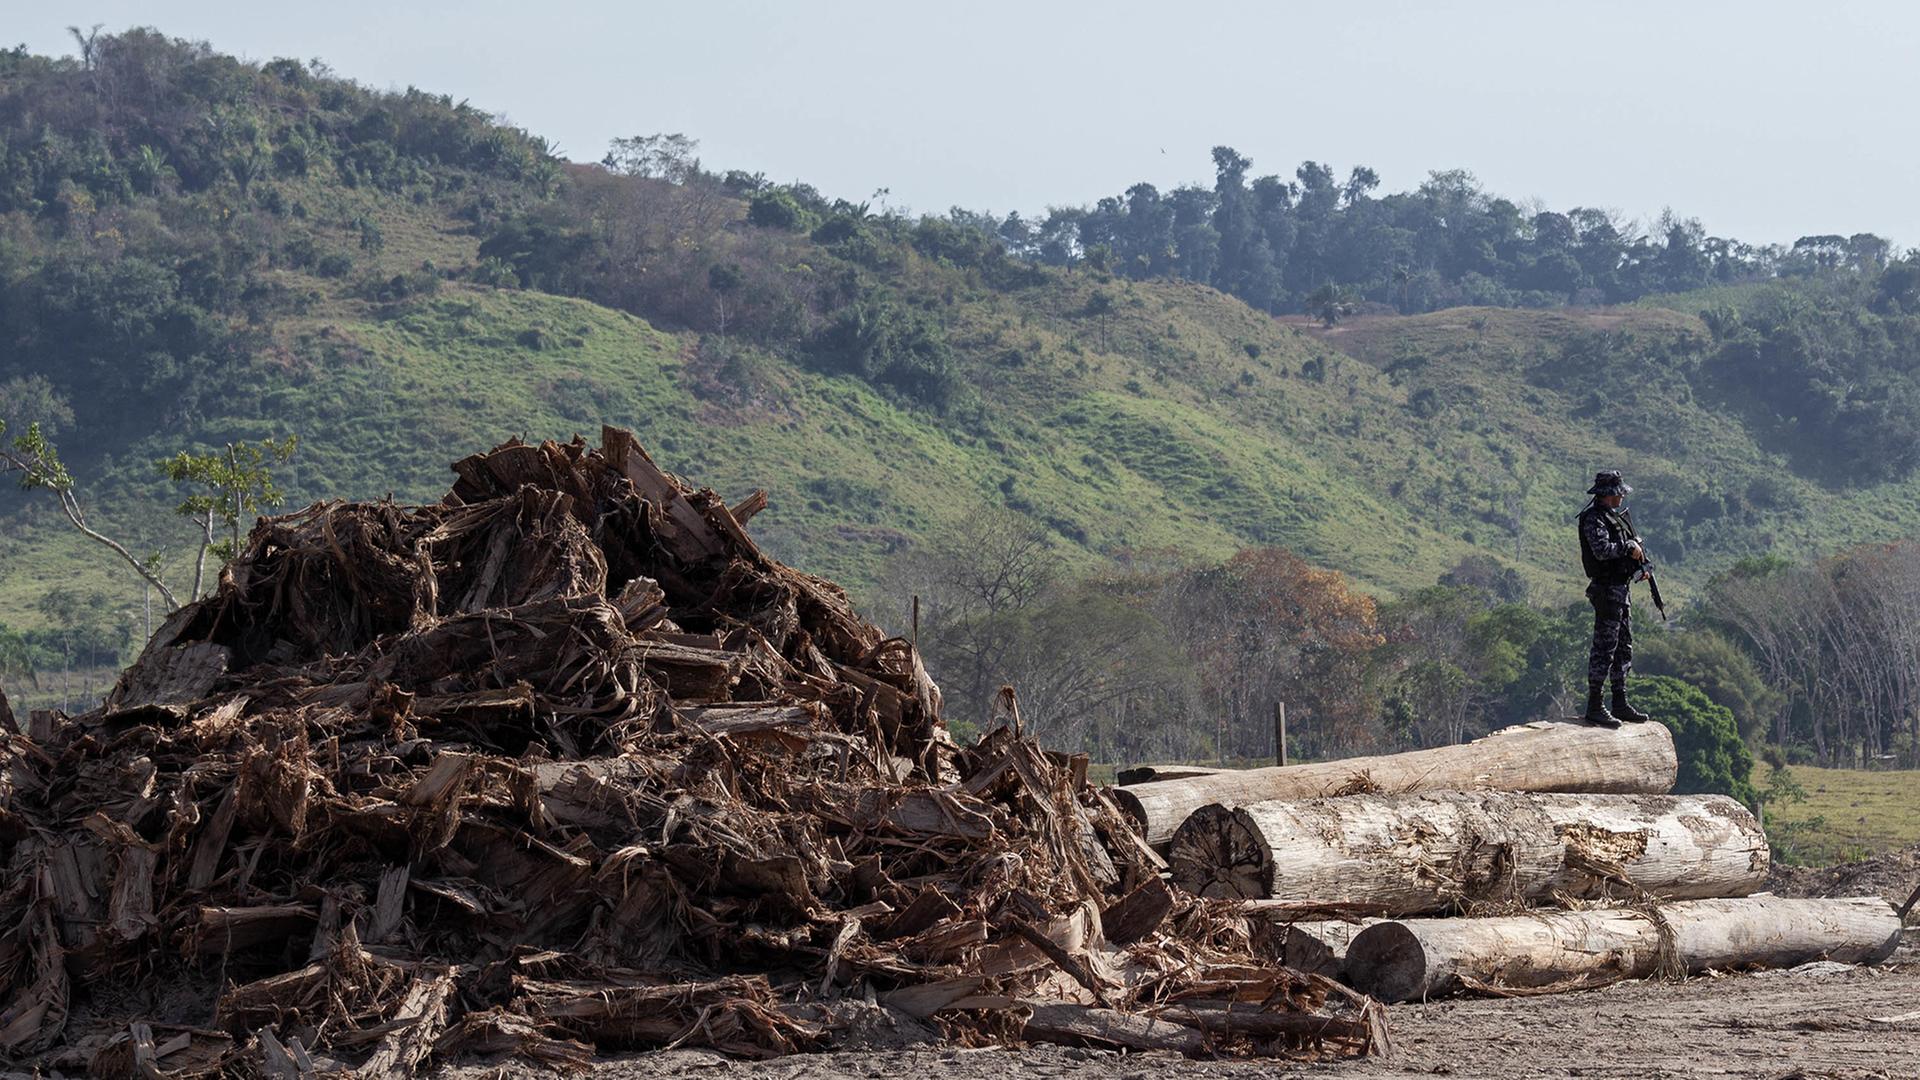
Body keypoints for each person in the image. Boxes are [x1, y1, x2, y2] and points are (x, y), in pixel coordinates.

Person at [1577, 470, 1653, 728]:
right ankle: (1595, 705)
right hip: (1606, 591)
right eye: (1618, 492)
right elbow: (1601, 551)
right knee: (1604, 649)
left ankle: (1619, 701)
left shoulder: (1614, 519)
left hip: (1621, 590)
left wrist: (1639, 565)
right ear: (1608, 494)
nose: (1621, 496)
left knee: (1623, 647)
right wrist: (1628, 547)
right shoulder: (1593, 520)